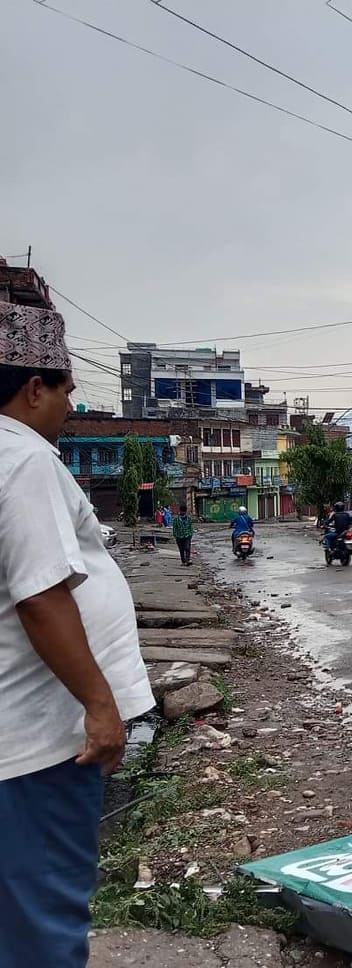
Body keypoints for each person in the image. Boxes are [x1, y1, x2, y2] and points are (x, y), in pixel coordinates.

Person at [0, 303, 153, 967]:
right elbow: (40, 592)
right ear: (34, 387)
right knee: (43, 919)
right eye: (65, 390)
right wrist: (100, 705)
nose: (69, 406)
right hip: (33, 743)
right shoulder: (24, 459)